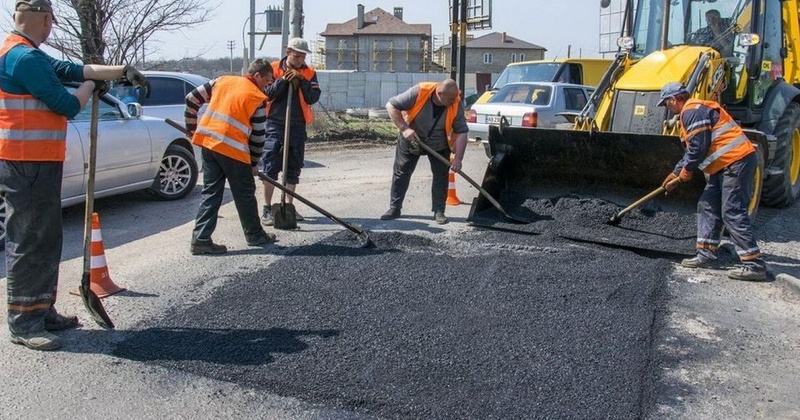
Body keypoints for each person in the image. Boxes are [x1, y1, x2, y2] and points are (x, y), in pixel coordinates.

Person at [0, 0, 150, 351]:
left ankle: (41, 308)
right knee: (29, 241)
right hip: (26, 163)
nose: (52, 26)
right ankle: (24, 321)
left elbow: (73, 69)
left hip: (34, 161)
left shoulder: (23, 52)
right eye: (51, 20)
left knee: (45, 237)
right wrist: (91, 90)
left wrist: (118, 71)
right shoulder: (25, 58)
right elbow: (66, 104)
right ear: (45, 19)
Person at [657, 82, 767, 281]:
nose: (667, 108)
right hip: (722, 166)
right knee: (707, 204)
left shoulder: (692, 111)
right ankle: (706, 254)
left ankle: (754, 265)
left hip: (736, 161)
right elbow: (692, 148)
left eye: (666, 103)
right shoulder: (693, 112)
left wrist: (685, 173)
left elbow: (699, 147)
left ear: (674, 99)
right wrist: (675, 173)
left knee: (732, 210)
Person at [186, 59, 277, 255]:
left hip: (209, 145)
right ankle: (254, 235)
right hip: (233, 150)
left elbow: (191, 99)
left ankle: (200, 239)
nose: (268, 85)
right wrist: (253, 163)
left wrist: (191, 130)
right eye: (267, 80)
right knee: (244, 193)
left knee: (211, 193)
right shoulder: (256, 97)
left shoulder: (221, 81)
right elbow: (259, 136)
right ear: (257, 75)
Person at [380, 79, 469, 225]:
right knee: (401, 172)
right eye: (451, 99)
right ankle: (394, 208)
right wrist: (404, 128)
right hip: (412, 138)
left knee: (441, 175)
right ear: (439, 94)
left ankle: (439, 211)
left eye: (455, 98)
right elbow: (391, 105)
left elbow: (462, 132)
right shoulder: (420, 91)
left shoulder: (456, 101)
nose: (454, 101)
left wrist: (458, 158)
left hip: (439, 143)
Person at [259, 37, 321, 226]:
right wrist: (282, 82)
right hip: (275, 124)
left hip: (297, 125)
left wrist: (301, 81)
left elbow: (312, 98)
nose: (301, 59)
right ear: (288, 52)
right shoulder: (273, 68)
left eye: (303, 56)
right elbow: (265, 93)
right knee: (270, 166)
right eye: (297, 56)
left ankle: (288, 206)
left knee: (293, 167)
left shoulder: (309, 73)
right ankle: (267, 208)